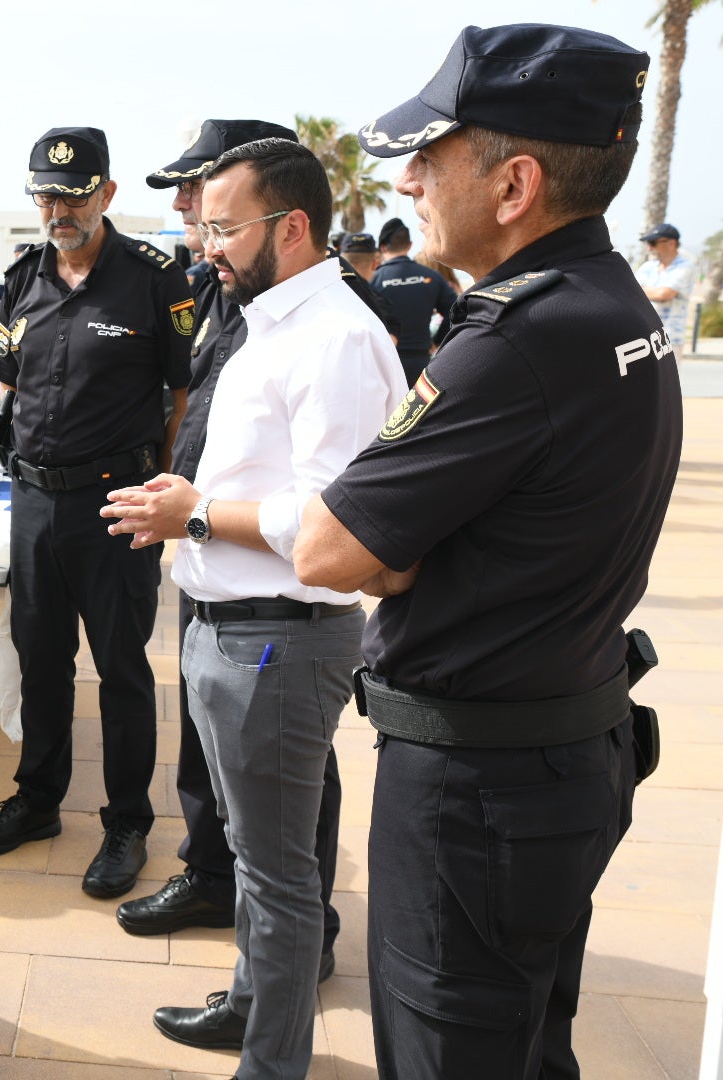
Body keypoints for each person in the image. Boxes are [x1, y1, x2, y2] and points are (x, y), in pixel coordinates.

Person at [293, 24, 678, 1077]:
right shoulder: (610, 305)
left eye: (433, 154)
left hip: (480, 787)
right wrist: (400, 543)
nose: (409, 177)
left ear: (513, 185)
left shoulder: (512, 339)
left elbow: (330, 550)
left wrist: (394, 545)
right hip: (556, 757)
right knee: (525, 1048)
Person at [103, 137, 403, 1077]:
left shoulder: (338, 338)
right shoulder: (272, 323)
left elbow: (334, 523)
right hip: (230, 630)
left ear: (295, 225)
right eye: (203, 227)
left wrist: (195, 514)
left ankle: (273, 1062)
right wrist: (186, 514)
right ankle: (251, 1007)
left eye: (224, 228)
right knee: (252, 859)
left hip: (281, 640)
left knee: (278, 877)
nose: (208, 248)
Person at [0, 126, 192, 900]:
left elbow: (184, 398)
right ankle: (36, 801)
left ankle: (127, 822)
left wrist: (160, 488)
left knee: (123, 669)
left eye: (74, 193)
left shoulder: (155, 279)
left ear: (107, 194)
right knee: (40, 659)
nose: (58, 208)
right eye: (46, 194)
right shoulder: (23, 276)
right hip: (33, 501)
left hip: (115, 505)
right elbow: (8, 381)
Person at [372, 216, 457, 382]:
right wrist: (438, 340)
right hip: (421, 364)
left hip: (384, 364)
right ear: (410, 245)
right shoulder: (432, 277)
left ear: (382, 247)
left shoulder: (373, 280)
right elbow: (456, 310)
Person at [636, 222, 696, 358]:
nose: (650, 247)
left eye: (653, 242)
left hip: (669, 338)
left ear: (672, 243)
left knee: (668, 379)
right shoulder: (648, 266)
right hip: (642, 337)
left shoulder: (686, 267)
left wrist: (640, 291)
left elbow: (664, 294)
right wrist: (651, 292)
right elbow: (628, 290)